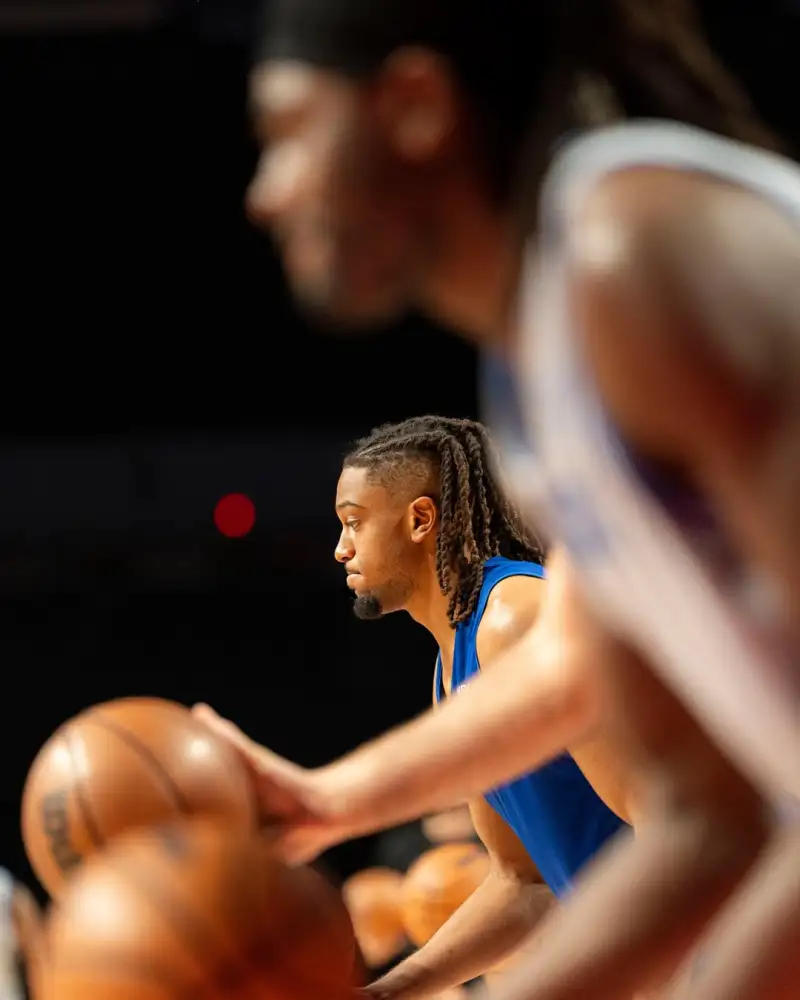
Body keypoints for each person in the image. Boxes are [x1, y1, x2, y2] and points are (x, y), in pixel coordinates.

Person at [206, 0, 800, 996]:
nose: (265, 194)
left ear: (414, 106)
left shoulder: (636, 254)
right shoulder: (542, 363)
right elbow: (694, 807)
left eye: (288, 133)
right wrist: (328, 800)